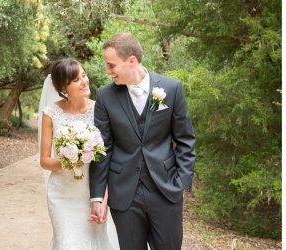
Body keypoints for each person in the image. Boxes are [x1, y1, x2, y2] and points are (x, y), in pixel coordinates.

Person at [89, 32, 196, 250]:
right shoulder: (105, 96)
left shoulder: (171, 89)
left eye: (111, 65)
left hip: (165, 189)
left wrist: (181, 182)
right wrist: (97, 196)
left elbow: (185, 139)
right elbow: (102, 148)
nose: (107, 71)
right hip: (124, 194)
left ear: (131, 60)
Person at [38, 58, 118, 250]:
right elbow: (45, 161)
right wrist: (69, 160)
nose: (84, 81)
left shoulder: (100, 110)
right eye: (76, 79)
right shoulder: (51, 113)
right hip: (62, 195)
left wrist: (103, 198)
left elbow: (108, 158)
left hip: (91, 192)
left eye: (84, 75)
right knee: (66, 244)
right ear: (63, 87)